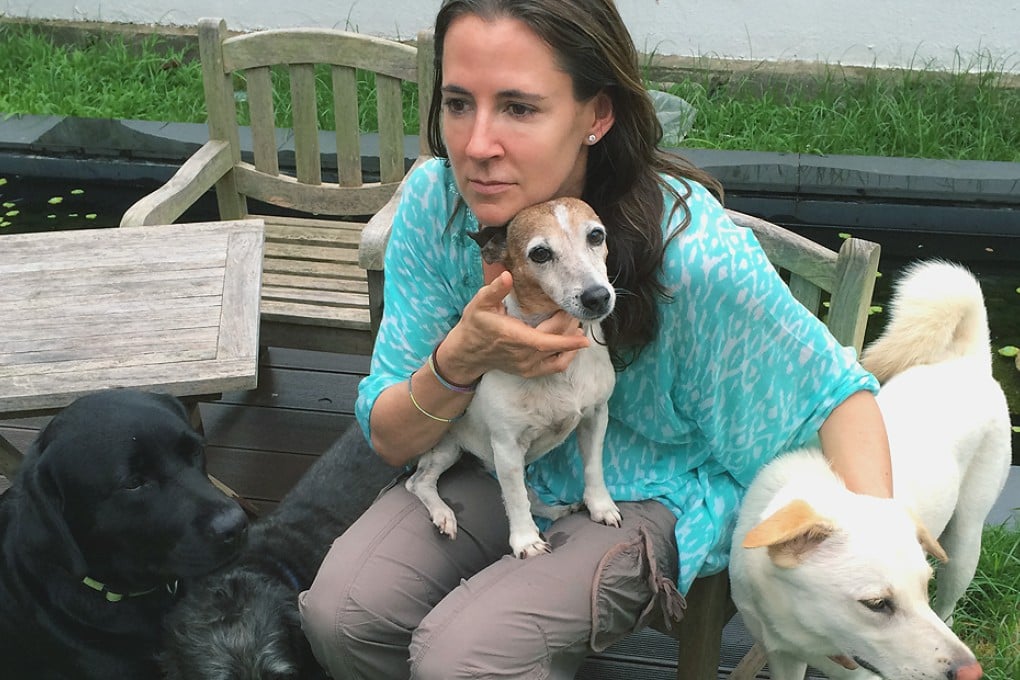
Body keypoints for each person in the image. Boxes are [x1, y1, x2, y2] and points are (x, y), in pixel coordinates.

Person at [299, 0, 893, 677]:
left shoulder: (695, 257)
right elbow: (389, 436)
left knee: (460, 658)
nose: (476, 145)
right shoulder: (439, 209)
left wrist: (877, 568)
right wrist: (462, 357)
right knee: (343, 616)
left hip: (648, 487)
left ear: (597, 117)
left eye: (519, 108)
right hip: (499, 455)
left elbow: (837, 396)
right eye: (459, 103)